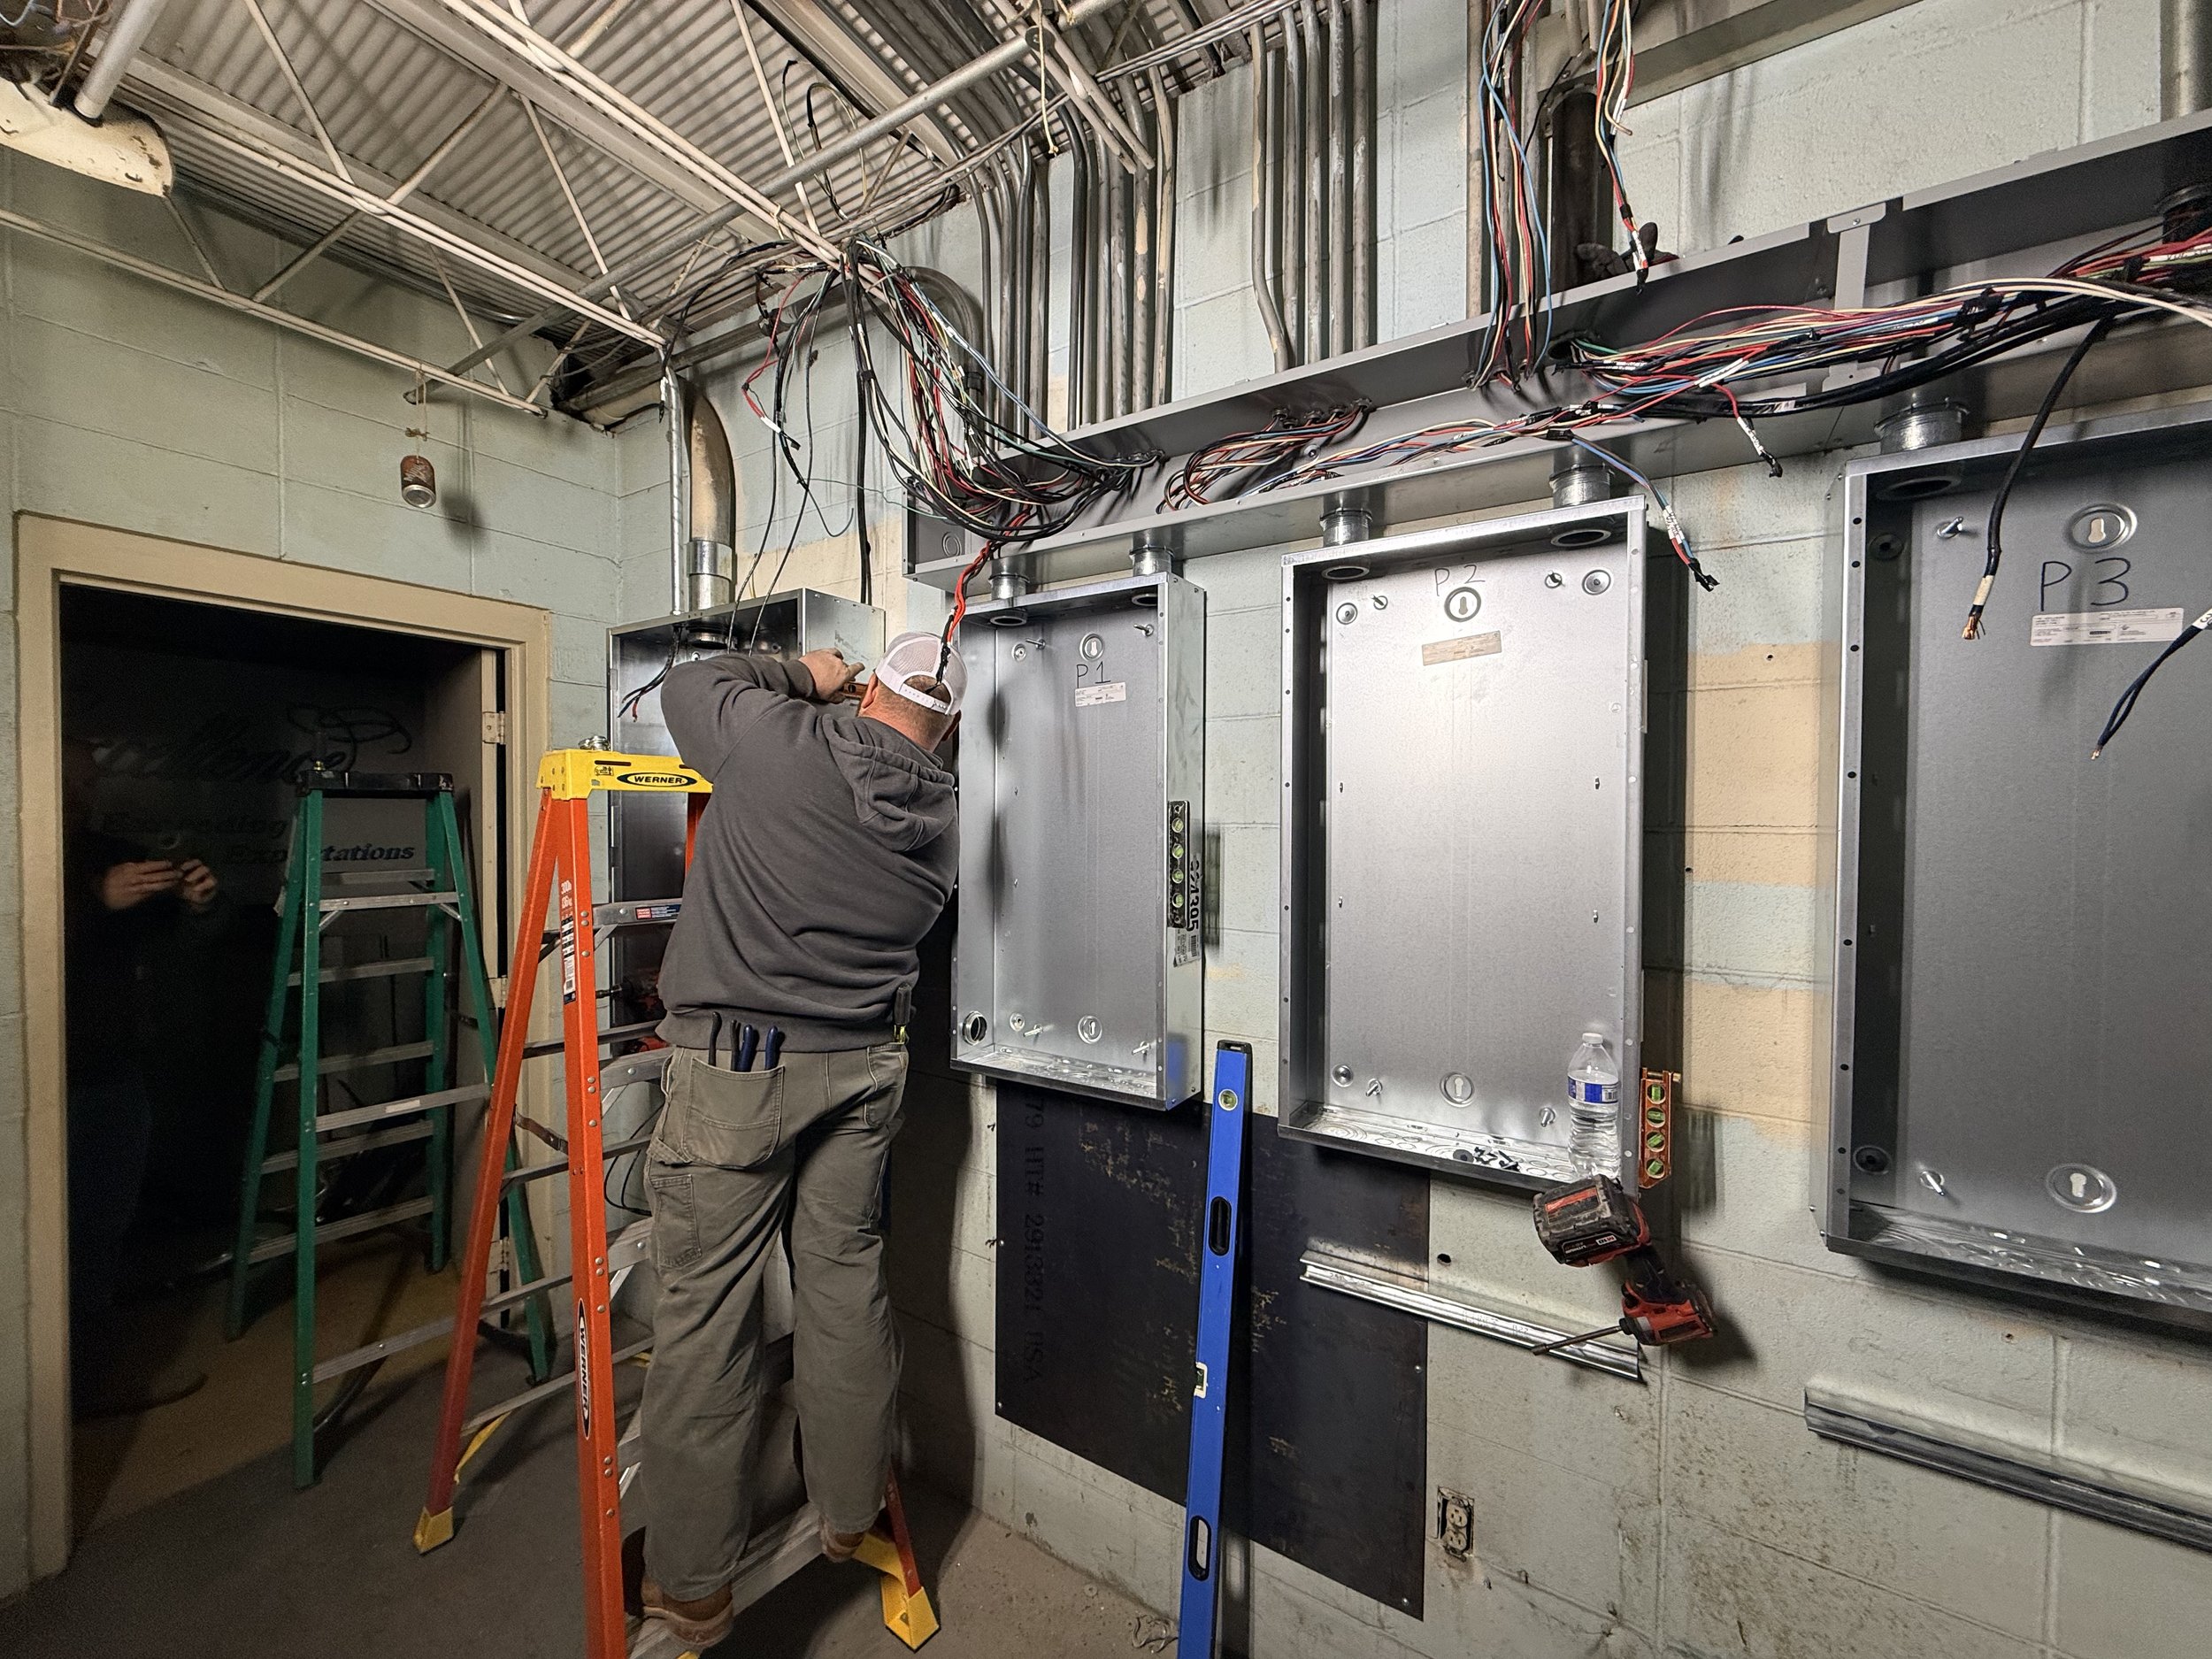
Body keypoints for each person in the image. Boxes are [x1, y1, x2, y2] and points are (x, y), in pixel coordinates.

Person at [634, 629, 963, 1649]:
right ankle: (848, 1514)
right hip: (865, 1072)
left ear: (867, 701)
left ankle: (691, 1586)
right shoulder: (943, 821)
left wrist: (802, 673)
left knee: (705, 1324)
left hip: (739, 1072)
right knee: (844, 1281)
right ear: (941, 735)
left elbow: (686, 685)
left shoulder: (781, 740)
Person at [63, 736, 221, 1416]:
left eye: (90, 778)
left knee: (103, 1225)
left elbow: (183, 941)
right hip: (54, 1080)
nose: (87, 789)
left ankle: (88, 1376)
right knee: (65, 1234)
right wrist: (99, 900)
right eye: (77, 777)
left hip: (115, 1070)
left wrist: (197, 902)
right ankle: (71, 1391)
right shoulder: (31, 854)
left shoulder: (106, 850)